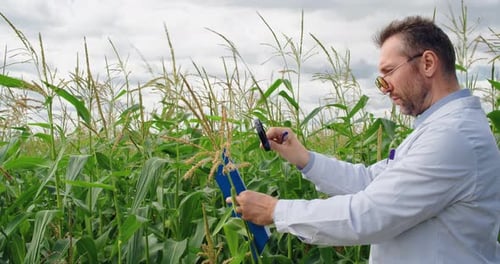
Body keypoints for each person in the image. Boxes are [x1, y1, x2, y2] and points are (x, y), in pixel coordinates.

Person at [228, 16, 500, 263]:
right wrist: (304, 159)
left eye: (389, 72)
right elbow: (370, 183)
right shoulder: (438, 129)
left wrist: (276, 211)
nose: (385, 89)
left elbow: (369, 215)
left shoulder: (453, 136)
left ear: (428, 63)